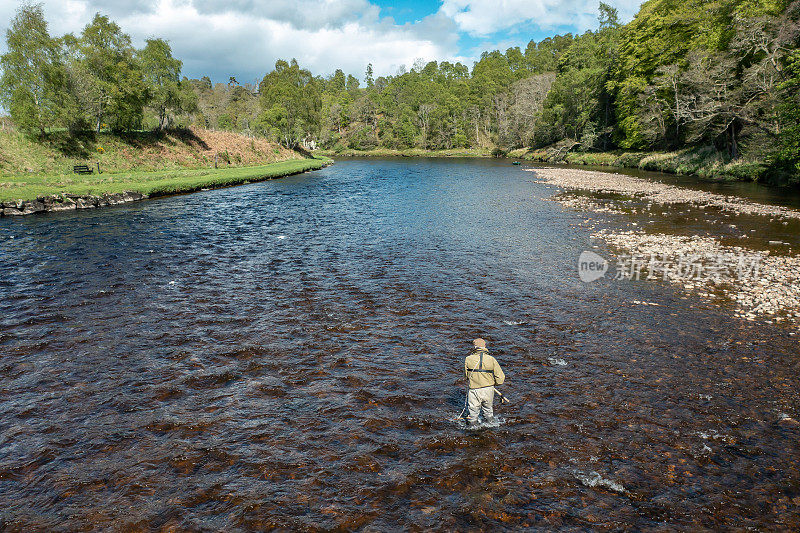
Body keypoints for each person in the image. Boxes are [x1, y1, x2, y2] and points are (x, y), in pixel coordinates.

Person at [464, 338, 505, 426]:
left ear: (474, 347)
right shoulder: (491, 359)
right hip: (488, 389)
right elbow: (500, 377)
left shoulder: (468, 358)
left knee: (473, 412)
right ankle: (491, 427)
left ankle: (472, 431)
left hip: (474, 390)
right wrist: (495, 384)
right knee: (488, 411)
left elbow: (466, 376)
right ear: (484, 346)